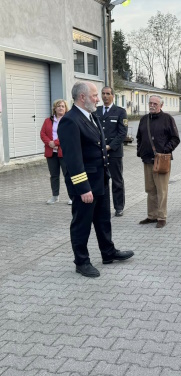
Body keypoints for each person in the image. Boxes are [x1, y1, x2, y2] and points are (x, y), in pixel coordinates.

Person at [58, 82, 134, 278]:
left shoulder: (91, 116)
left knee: (103, 219)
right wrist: (83, 188)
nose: (98, 99)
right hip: (85, 183)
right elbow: (73, 160)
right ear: (82, 97)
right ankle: (81, 261)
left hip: (100, 179)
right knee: (82, 223)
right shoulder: (70, 121)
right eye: (94, 95)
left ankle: (108, 252)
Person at [136, 95, 180, 228]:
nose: (152, 105)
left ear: (161, 105)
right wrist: (140, 150)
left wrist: (165, 150)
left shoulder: (167, 119)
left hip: (162, 160)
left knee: (162, 190)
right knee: (150, 189)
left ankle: (162, 217)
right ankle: (152, 216)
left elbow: (175, 138)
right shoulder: (144, 119)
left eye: (155, 103)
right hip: (147, 159)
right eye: (150, 103)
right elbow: (139, 137)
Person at [96, 86, 127, 217]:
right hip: (99, 152)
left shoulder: (120, 112)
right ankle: (102, 207)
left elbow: (122, 133)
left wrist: (109, 146)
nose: (105, 96)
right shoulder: (96, 111)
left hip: (114, 152)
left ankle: (119, 207)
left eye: (108, 94)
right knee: (101, 181)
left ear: (113, 95)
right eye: (103, 94)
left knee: (117, 181)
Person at [40, 99, 73, 205]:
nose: (60, 108)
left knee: (67, 175)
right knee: (54, 175)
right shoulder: (47, 121)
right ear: (54, 108)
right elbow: (42, 133)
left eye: (63, 106)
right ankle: (55, 196)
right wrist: (49, 143)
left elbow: (68, 135)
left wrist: (56, 142)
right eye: (58, 106)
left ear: (66, 109)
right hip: (51, 152)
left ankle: (72, 196)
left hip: (64, 152)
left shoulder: (68, 120)